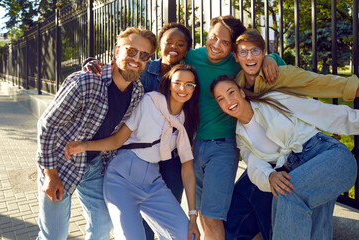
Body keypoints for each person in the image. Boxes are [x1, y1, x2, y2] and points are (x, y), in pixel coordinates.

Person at [83, 16, 286, 239]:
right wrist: (95, 63)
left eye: (225, 42)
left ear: (233, 49)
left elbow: (255, 55)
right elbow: (141, 59)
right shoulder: (190, 57)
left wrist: (269, 58)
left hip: (214, 147)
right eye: (213, 37)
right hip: (184, 147)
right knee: (194, 215)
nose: (216, 45)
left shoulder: (235, 61)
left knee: (209, 216)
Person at [224, 28, 359, 240]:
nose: (249, 56)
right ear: (236, 57)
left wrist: (353, 86)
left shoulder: (276, 83)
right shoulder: (239, 98)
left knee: (287, 194)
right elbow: (253, 163)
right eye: (243, 52)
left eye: (256, 51)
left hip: (323, 153)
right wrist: (269, 176)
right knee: (317, 226)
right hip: (291, 166)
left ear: (263, 52)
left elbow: (320, 100)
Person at [36, 27, 157, 239]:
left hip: (96, 166)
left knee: (101, 229)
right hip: (60, 164)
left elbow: (117, 138)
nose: (136, 59)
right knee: (54, 236)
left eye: (143, 55)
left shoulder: (137, 91)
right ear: (117, 50)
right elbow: (47, 126)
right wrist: (50, 174)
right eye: (131, 51)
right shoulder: (86, 81)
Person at [65, 64, 201, 240]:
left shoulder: (184, 120)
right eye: (178, 83)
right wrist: (84, 146)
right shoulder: (148, 102)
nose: (183, 88)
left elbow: (188, 170)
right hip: (121, 179)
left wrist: (192, 218)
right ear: (168, 84)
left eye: (189, 84)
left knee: (187, 236)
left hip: (152, 183)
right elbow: (117, 140)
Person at [84, 22, 192, 240]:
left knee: (169, 221)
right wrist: (92, 63)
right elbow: (120, 69)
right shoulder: (143, 67)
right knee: (136, 228)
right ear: (159, 45)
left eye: (180, 44)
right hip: (132, 153)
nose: (174, 47)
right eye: (169, 42)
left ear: (187, 50)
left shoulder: (186, 76)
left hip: (166, 156)